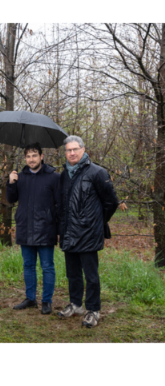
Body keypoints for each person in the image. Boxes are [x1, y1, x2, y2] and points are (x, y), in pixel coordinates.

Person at [58, 135, 119, 328]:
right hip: (69, 233)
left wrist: (97, 222)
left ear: (84, 150)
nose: (72, 153)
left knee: (91, 276)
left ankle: (93, 310)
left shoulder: (98, 173)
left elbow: (111, 202)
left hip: (89, 234)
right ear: (65, 152)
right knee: (73, 274)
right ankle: (76, 305)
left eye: (75, 149)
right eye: (68, 150)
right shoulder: (63, 176)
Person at [6, 143, 60, 315]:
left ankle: (46, 301)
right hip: (25, 227)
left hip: (46, 228)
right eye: (28, 156)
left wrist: (57, 226)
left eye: (34, 155)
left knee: (47, 266)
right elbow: (11, 199)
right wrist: (11, 183)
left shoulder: (53, 177)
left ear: (42, 156)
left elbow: (59, 204)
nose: (31, 159)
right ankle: (30, 298)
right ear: (25, 158)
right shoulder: (19, 177)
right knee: (28, 265)